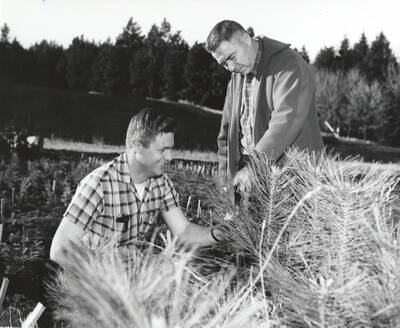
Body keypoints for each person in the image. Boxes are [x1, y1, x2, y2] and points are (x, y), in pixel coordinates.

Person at [50, 108, 222, 267]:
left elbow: (184, 232)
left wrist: (219, 234)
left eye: (171, 149)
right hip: (91, 285)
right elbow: (60, 250)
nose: (170, 157)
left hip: (131, 280)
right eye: (162, 150)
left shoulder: (161, 183)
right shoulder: (99, 184)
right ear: (136, 146)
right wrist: (112, 265)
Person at [205, 20, 324, 192]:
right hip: (253, 177)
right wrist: (225, 179)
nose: (230, 68)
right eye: (223, 64)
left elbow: (286, 120)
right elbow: (227, 132)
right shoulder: (237, 77)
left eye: (231, 57)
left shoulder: (289, 65)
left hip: (292, 180)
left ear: (245, 39)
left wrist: (255, 166)